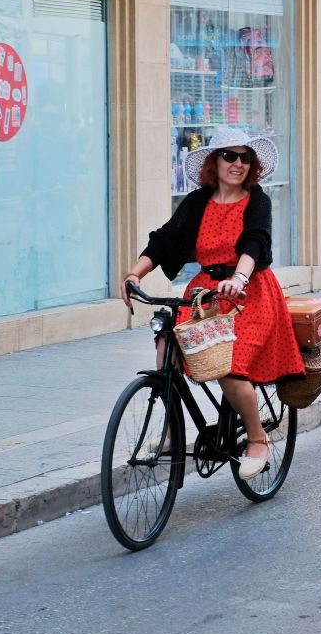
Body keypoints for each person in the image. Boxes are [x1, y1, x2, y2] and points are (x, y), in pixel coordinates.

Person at [121, 127, 304, 479]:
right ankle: (172, 434)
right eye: (229, 156)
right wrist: (134, 274)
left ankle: (257, 439)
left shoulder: (257, 201)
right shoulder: (198, 202)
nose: (238, 163)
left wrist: (239, 279)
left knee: (229, 368)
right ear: (213, 162)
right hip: (205, 293)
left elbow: (255, 242)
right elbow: (164, 240)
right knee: (166, 348)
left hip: (249, 293)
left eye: (245, 158)